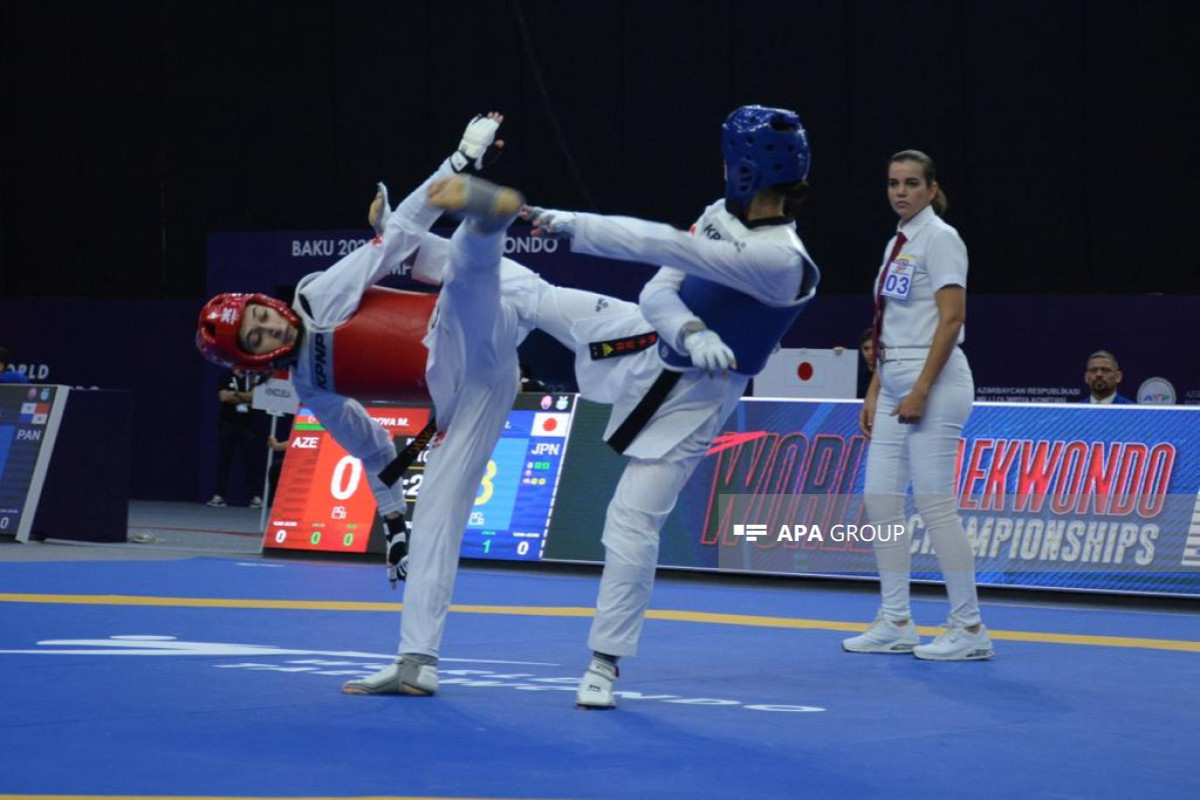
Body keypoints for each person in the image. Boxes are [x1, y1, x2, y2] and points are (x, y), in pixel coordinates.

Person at [197, 113, 650, 697]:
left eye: (261, 316)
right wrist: (393, 520)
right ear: (254, 361)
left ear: (266, 302)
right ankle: (417, 662)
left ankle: (493, 220)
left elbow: (399, 237)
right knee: (435, 512)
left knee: (467, 270)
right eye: (257, 338)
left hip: (459, 329)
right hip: (473, 394)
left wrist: (458, 162)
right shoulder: (312, 389)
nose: (270, 329)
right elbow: (374, 447)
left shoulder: (318, 295)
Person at [524, 104, 820, 708]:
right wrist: (688, 330)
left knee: (631, 523)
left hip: (693, 401)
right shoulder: (717, 215)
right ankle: (412, 243)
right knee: (530, 293)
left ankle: (603, 661)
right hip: (641, 341)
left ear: (743, 168)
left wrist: (566, 222)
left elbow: (652, 242)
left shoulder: (781, 261)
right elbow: (657, 288)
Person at [841, 149, 993, 661]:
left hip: (937, 381)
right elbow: (889, 323)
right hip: (894, 380)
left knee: (934, 503)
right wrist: (875, 388)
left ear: (931, 189)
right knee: (881, 499)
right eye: (892, 183)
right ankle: (897, 620)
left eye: (910, 183)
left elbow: (951, 320)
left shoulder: (942, 239)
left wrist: (921, 388)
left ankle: (969, 629)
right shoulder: (895, 244)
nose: (900, 191)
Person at [208, 369, 266, 508]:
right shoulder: (226, 376)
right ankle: (219, 496)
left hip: (248, 425)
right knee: (224, 460)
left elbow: (256, 398)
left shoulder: (253, 377)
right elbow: (223, 397)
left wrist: (234, 394)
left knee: (251, 461)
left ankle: (256, 497)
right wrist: (245, 397)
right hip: (228, 424)